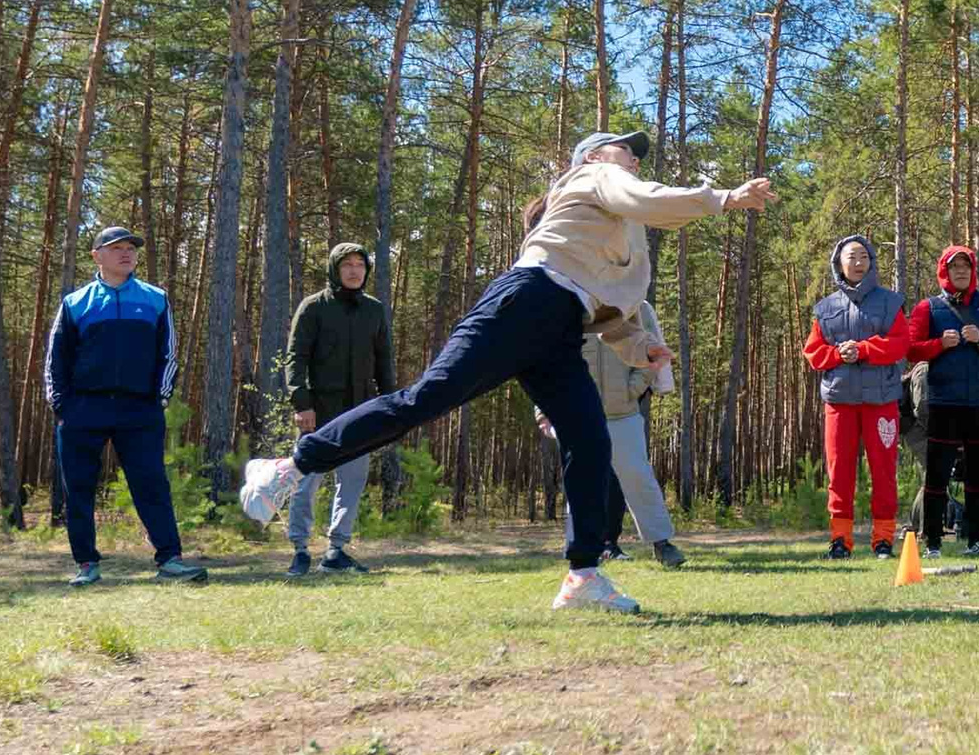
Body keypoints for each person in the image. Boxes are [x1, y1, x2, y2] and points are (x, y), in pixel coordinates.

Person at [237, 131, 770, 612]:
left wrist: (642, 349)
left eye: (635, 152)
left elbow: (610, 315)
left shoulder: (625, 235)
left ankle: (583, 575)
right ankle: (288, 468)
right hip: (525, 302)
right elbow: (645, 200)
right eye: (624, 148)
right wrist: (723, 198)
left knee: (589, 441)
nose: (632, 156)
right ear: (592, 157)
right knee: (425, 400)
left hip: (561, 328)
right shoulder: (593, 176)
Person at [45, 226, 206, 585]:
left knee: (151, 485)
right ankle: (86, 564)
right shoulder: (75, 303)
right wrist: (61, 406)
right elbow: (55, 359)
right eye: (116, 247)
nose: (126, 253)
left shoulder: (155, 299)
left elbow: (169, 354)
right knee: (79, 489)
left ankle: (170, 560)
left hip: (139, 410)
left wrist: (161, 397)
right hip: (83, 409)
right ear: (97, 256)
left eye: (131, 248)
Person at [801, 234, 932, 559]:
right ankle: (839, 541)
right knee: (839, 471)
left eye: (864, 257)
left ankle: (883, 540)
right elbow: (813, 352)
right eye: (851, 257)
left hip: (881, 402)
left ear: (871, 263)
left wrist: (862, 350)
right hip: (839, 402)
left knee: (883, 470)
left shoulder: (889, 303)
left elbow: (900, 344)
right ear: (839, 263)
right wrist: (837, 354)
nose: (858, 263)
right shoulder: (826, 307)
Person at [283, 242, 392, 576]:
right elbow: (295, 357)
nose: (354, 270)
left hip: (360, 412)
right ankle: (300, 550)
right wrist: (302, 403)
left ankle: (336, 551)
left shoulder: (373, 310)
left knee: (352, 482)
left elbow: (383, 362)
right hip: (318, 413)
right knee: (306, 482)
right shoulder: (314, 307)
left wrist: (390, 406)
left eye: (360, 264)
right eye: (347, 264)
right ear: (335, 268)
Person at [558, 298, 686, 568]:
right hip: (579, 412)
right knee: (579, 481)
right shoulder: (568, 300)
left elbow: (651, 350)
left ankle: (662, 544)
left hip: (623, 412)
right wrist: (544, 411)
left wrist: (634, 389)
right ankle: (580, 552)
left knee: (639, 477)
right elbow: (548, 357)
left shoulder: (634, 304)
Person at [910, 244, 979, 558]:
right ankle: (932, 542)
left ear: (972, 271)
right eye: (954, 266)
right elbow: (911, 350)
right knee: (937, 476)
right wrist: (939, 344)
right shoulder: (927, 308)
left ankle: (976, 541)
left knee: (978, 476)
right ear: (944, 270)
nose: (961, 271)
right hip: (943, 403)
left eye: (966, 266)